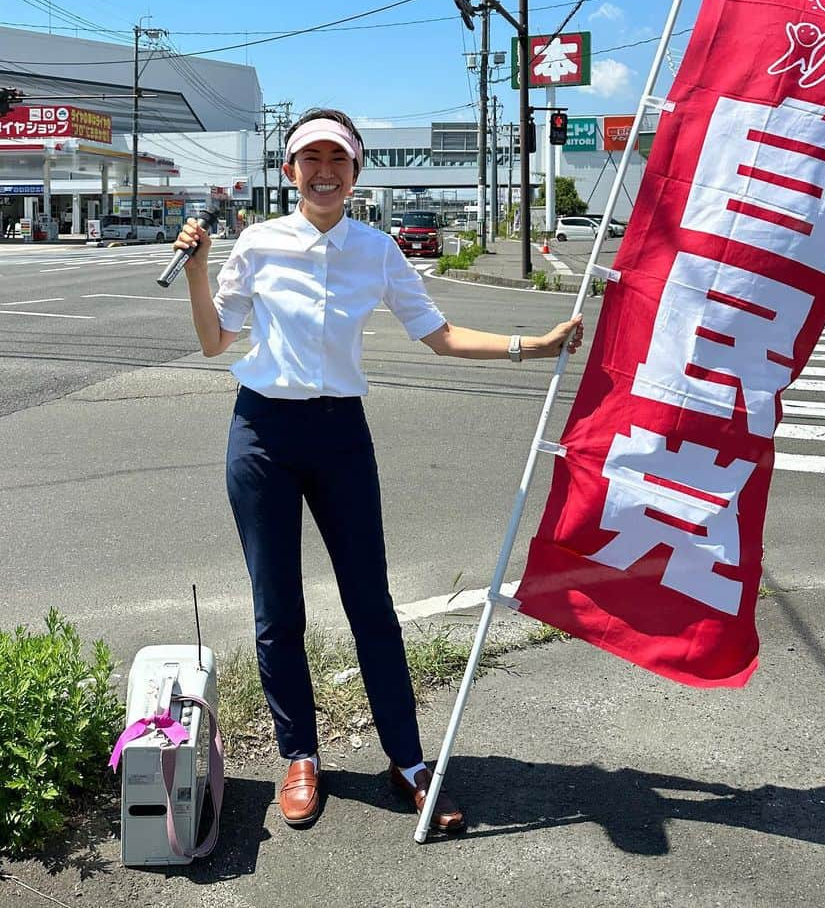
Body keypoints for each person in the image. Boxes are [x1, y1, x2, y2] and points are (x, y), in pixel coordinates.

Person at [173, 108, 583, 834]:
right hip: (261, 433)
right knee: (278, 611)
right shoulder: (260, 243)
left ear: (356, 172)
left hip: (341, 438)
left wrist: (533, 346)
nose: (323, 171)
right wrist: (200, 271)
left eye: (338, 159)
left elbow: (442, 335)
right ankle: (299, 757)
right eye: (310, 159)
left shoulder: (377, 249)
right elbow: (214, 341)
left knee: (371, 605)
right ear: (289, 171)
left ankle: (410, 761)